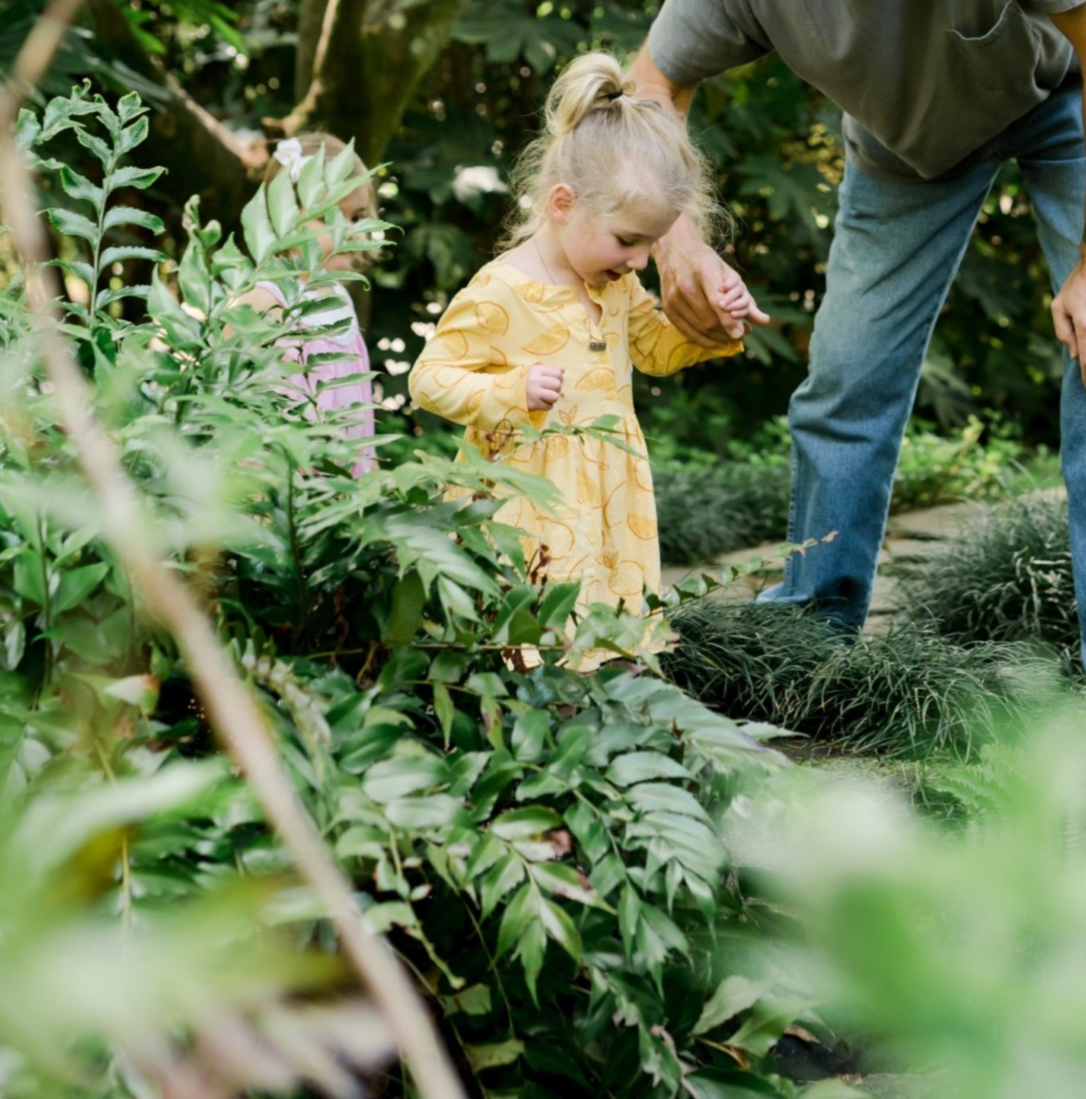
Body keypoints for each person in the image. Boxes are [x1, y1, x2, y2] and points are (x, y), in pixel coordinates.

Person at [628, 0, 1086, 727]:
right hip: (900, 139)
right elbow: (649, 89)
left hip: (1064, 100)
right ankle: (807, 636)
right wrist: (674, 237)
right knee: (843, 379)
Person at [409, 52, 748, 651]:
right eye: (628, 240)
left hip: (611, 496)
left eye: (651, 244)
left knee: (608, 620)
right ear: (563, 205)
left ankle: (611, 699)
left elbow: (653, 351)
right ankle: (537, 716)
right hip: (528, 502)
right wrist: (508, 392)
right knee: (537, 625)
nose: (641, 261)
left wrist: (714, 330)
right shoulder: (501, 290)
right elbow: (429, 380)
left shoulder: (616, 284)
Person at [241, 132, 379, 478]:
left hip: (343, 497)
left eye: (357, 217)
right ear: (282, 215)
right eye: (329, 216)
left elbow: (361, 420)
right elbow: (245, 422)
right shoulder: (265, 302)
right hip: (283, 498)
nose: (348, 232)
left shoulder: (338, 297)